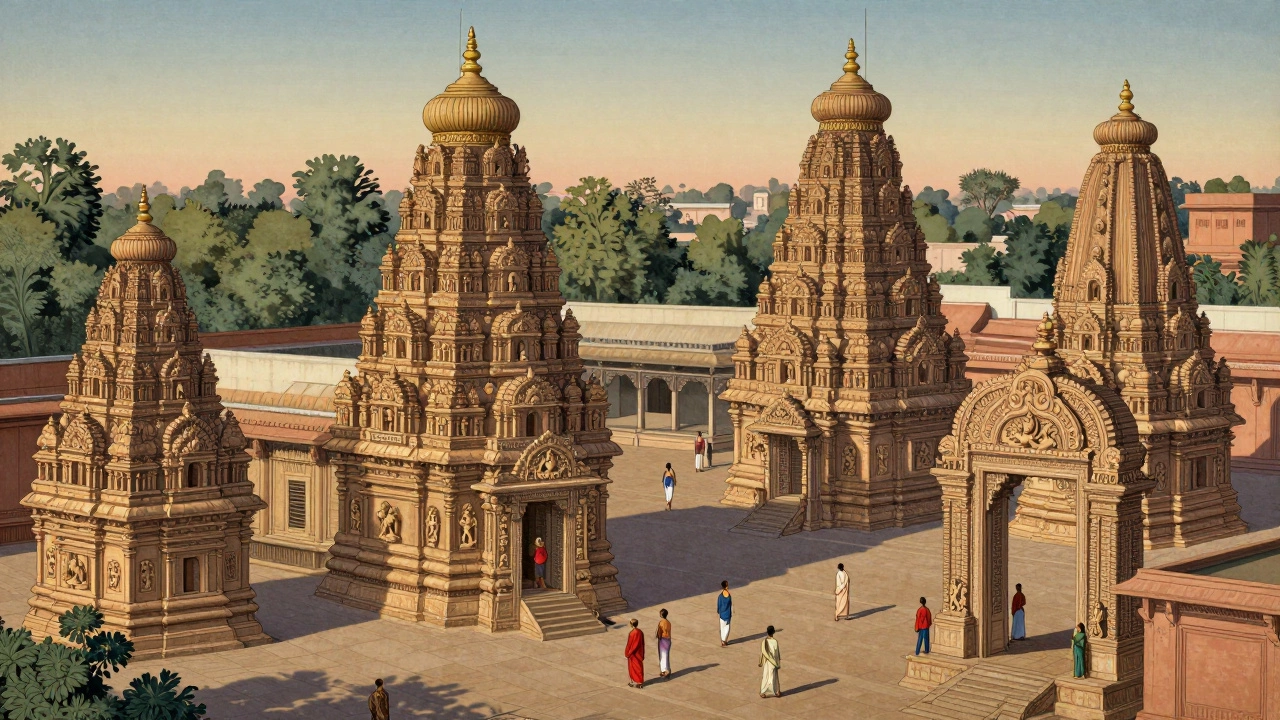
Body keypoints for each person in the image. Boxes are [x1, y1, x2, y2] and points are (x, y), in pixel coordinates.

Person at [758, 625, 781, 698]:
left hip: (767, 661)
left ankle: (763, 692)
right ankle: (776, 691)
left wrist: (761, 662)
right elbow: (777, 653)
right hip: (773, 661)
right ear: (773, 632)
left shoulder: (764, 641)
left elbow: (762, 652)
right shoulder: (775, 641)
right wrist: (777, 663)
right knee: (773, 676)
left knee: (765, 676)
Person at [625, 618, 645, 688]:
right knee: (639, 667)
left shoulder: (632, 633)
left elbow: (630, 645)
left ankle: (635, 681)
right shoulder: (640, 632)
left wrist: (628, 653)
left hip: (633, 654)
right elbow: (642, 643)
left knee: (633, 668)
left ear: (631, 624)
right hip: (639, 653)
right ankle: (639, 681)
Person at [656, 609, 672, 677]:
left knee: (663, 655)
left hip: (663, 639)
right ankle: (667, 669)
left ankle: (664, 671)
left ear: (662, 614)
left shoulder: (661, 622)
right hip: (668, 639)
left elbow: (659, 631)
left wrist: (658, 637)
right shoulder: (668, 622)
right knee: (666, 655)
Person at [717, 580, 733, 647]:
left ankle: (723, 641)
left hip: (722, 614)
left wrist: (719, 611)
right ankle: (724, 641)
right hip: (727, 614)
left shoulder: (720, 596)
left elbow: (718, 605)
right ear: (726, 586)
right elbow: (730, 604)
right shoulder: (729, 596)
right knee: (727, 627)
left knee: (722, 627)